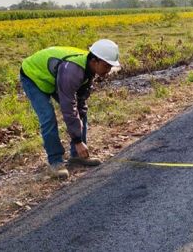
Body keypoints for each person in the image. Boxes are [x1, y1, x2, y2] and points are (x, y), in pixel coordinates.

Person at [20, 39, 120, 179]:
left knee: (81, 111)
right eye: (106, 66)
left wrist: (79, 137)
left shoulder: (89, 68)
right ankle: (56, 163)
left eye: (110, 67)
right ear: (95, 61)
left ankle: (77, 156)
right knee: (48, 117)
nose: (108, 71)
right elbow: (68, 107)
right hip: (33, 77)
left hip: (54, 77)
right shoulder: (72, 71)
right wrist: (78, 140)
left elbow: (79, 103)